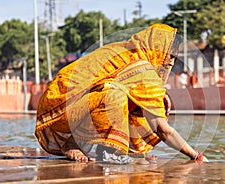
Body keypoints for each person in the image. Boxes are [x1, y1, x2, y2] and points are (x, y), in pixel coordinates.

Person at [34, 24, 208, 163]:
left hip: (57, 104)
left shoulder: (124, 52)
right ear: (160, 53)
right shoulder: (143, 70)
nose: (170, 63)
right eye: (170, 57)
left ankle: (110, 147)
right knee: (115, 96)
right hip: (63, 110)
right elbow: (162, 129)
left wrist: (158, 96)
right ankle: (111, 151)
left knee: (136, 99)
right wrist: (195, 155)